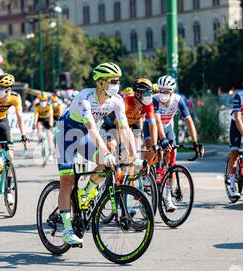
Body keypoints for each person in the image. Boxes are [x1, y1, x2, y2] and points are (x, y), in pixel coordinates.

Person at [55, 62, 143, 245]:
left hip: (84, 136)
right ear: (101, 82)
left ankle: (86, 192)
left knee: (104, 164)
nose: (116, 84)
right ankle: (67, 228)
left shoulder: (116, 100)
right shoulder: (85, 97)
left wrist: (135, 157)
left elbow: (125, 129)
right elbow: (93, 129)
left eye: (118, 80)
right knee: (67, 181)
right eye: (113, 81)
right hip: (67, 135)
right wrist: (105, 151)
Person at [150, 75, 203, 211]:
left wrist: (195, 142)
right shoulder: (154, 100)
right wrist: (162, 140)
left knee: (171, 160)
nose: (162, 94)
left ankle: (167, 197)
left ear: (172, 91)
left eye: (166, 91)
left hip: (167, 128)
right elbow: (156, 122)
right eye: (160, 90)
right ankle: (147, 178)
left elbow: (189, 121)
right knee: (153, 151)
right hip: (153, 127)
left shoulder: (178, 100)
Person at [0, 74, 29, 204]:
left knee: (10, 156)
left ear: (8, 89)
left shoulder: (15, 97)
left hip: (3, 121)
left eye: (1, 87)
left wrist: (23, 134)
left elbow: (20, 116)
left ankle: (8, 190)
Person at [101, 78, 159, 164]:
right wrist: (121, 143)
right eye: (147, 93)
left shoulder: (148, 104)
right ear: (138, 94)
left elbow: (152, 124)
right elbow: (118, 123)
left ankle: (134, 172)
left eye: (150, 93)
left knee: (135, 152)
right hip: (112, 126)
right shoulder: (126, 102)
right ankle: (111, 172)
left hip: (128, 126)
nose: (150, 96)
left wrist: (154, 144)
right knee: (113, 146)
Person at [33, 94, 55, 161]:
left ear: (47, 100)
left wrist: (51, 124)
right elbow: (36, 116)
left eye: (44, 100)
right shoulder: (37, 106)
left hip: (47, 119)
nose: (43, 102)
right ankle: (40, 140)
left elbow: (51, 115)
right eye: (41, 101)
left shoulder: (49, 105)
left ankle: (51, 154)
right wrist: (34, 124)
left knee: (49, 137)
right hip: (40, 119)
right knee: (39, 126)